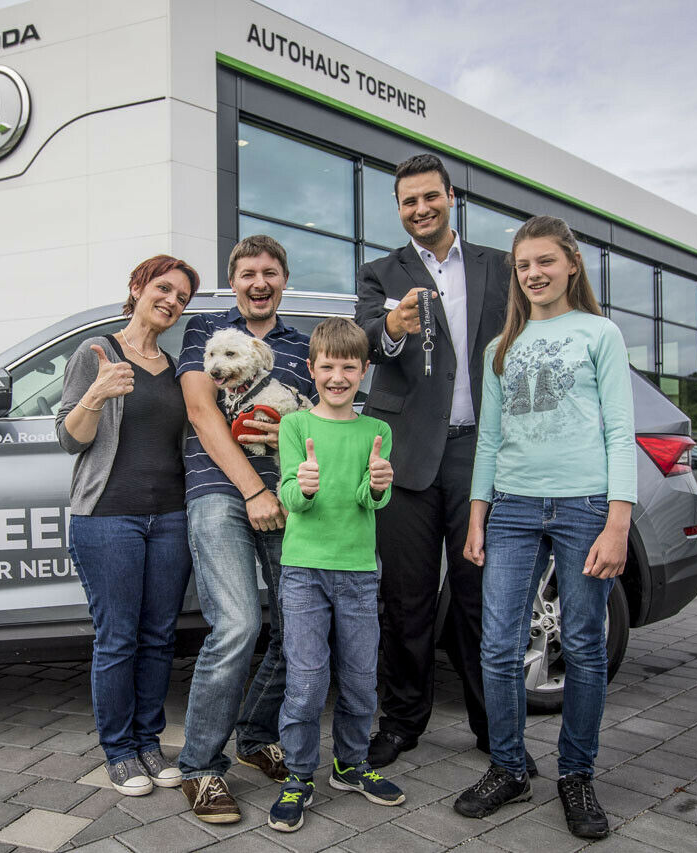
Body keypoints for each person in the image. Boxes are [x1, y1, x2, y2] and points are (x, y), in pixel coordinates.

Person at [454, 215, 635, 840]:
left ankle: (576, 774)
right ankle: (508, 765)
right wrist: (478, 515)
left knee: (583, 645)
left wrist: (618, 523)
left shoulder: (599, 333)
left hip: (585, 506)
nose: (534, 274)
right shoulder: (498, 348)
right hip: (513, 509)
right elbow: (490, 441)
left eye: (545, 262)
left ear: (571, 265)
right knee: (497, 647)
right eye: (524, 265)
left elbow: (619, 432)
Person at [353, 153, 512, 767]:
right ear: (398, 210)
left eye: (430, 197)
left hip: (478, 452)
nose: (419, 209)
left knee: (480, 597)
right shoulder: (377, 273)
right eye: (407, 202)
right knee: (405, 598)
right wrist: (392, 324)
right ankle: (401, 720)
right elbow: (366, 340)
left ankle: (491, 724)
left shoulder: (498, 268)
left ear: (452, 197)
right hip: (405, 456)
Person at [176, 235, 316, 824]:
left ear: (284, 279)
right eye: (247, 273)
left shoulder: (304, 347)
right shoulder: (206, 332)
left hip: (288, 497)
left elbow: (318, 420)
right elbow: (203, 413)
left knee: (297, 625)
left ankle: (256, 738)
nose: (259, 282)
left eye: (270, 272)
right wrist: (254, 490)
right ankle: (201, 768)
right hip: (221, 494)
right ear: (233, 282)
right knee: (236, 624)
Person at [55, 255, 201, 796]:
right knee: (118, 638)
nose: (171, 300)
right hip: (109, 517)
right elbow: (71, 438)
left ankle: (148, 742)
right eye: (163, 288)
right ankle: (118, 752)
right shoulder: (96, 354)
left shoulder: (179, 366)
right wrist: (95, 394)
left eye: (181, 297)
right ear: (137, 287)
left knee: (159, 637)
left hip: (170, 517)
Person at [268, 318, 406, 833]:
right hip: (303, 572)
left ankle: (350, 766)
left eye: (349, 366)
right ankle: (299, 775)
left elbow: (372, 501)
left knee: (360, 680)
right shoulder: (296, 427)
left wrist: (376, 484)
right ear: (312, 369)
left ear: (365, 370)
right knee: (305, 682)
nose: (338, 375)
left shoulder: (378, 431)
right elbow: (288, 498)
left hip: (357, 573)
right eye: (327, 365)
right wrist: (301, 487)